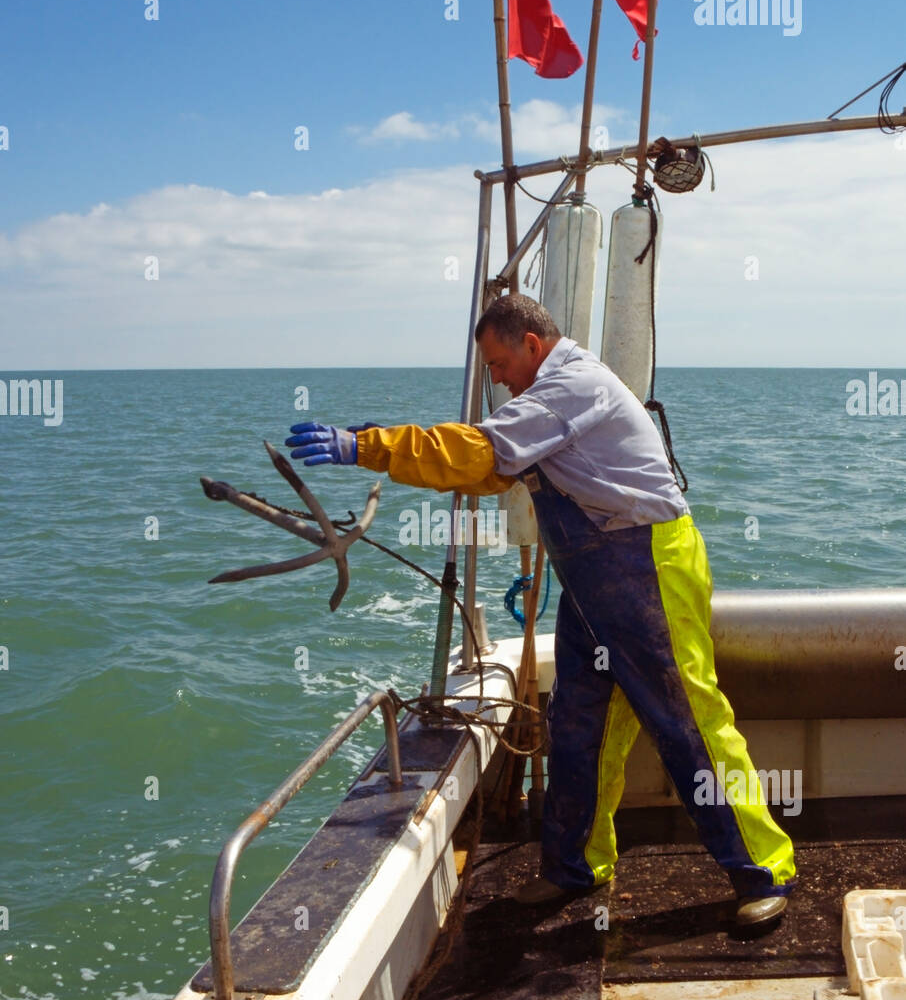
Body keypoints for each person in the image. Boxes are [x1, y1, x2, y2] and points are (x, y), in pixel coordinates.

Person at [285, 294, 796, 926]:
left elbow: (480, 455)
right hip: (594, 578)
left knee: (687, 720)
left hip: (646, 565)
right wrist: (369, 439)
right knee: (579, 724)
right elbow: (487, 468)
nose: (496, 379)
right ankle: (577, 866)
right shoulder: (548, 393)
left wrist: (363, 447)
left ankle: (762, 868)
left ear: (531, 343)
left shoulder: (568, 387)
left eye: (499, 364)